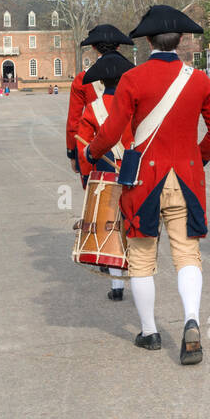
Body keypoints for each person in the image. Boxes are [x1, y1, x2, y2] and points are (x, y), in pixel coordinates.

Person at [84, 5, 210, 366]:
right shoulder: (200, 80)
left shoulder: (133, 79)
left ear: (148, 41)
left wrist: (92, 150)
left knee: (142, 259)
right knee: (187, 254)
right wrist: (197, 158)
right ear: (181, 40)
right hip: (186, 180)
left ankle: (149, 332)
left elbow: (113, 130)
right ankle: (192, 320)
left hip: (144, 181)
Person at [75, 51, 136, 301]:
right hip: (133, 170)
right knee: (132, 222)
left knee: (110, 225)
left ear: (101, 82)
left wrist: (86, 176)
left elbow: (84, 147)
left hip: (105, 171)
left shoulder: (92, 109)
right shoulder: (134, 106)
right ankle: (139, 272)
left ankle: (117, 286)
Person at [67, 24, 134, 185]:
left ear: (93, 47)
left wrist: (74, 154)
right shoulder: (133, 74)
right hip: (132, 152)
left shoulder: (82, 80)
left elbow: (74, 122)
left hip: (100, 154)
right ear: (118, 46)